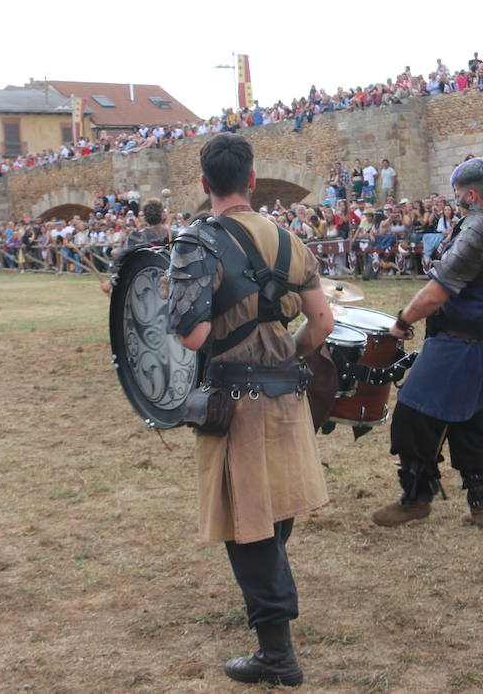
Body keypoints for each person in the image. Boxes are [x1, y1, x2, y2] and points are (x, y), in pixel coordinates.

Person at [166, 133, 333, 687]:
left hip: (235, 401)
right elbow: (322, 324)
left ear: (204, 184)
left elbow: (192, 337)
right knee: (273, 507)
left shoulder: (196, 243)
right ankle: (272, 620)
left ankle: (277, 656)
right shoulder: (290, 241)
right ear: (252, 181)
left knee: (249, 525)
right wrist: (288, 355)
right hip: (286, 394)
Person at [373, 158, 483, 531]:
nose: (457, 201)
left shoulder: (479, 231)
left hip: (462, 348)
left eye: (460, 195)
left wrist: (401, 322)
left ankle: (416, 499)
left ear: (473, 194)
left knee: (412, 417)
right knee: (470, 420)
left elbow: (436, 293)